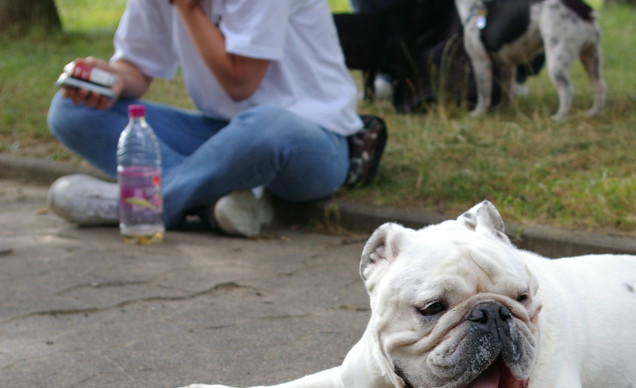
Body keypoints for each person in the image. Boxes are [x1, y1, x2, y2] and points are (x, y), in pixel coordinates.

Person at [46, 0, 386, 238]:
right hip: (223, 137)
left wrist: (187, 7)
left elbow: (240, 81)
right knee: (70, 111)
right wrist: (112, 79)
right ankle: (215, 203)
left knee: (267, 123)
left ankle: (139, 206)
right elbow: (136, 67)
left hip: (310, 141)